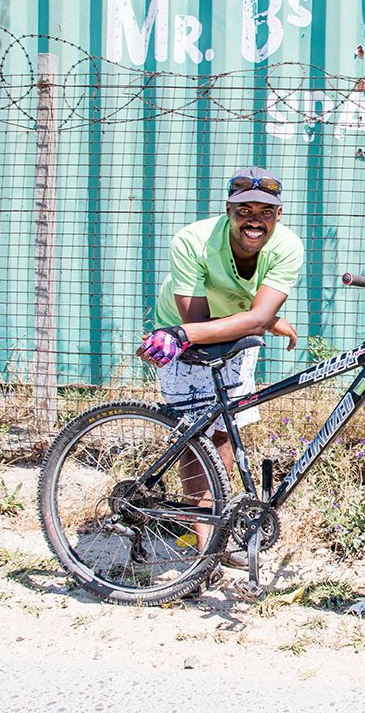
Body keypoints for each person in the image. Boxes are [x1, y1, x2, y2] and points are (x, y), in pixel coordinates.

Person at [136, 166, 304, 565]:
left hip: (239, 330)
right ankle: (205, 550)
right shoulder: (193, 241)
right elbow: (196, 323)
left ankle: (217, 531)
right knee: (198, 441)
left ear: (278, 217)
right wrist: (262, 320)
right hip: (182, 334)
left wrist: (266, 320)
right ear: (228, 210)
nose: (254, 220)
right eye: (244, 209)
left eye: (265, 211)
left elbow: (260, 313)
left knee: (227, 432)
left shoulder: (287, 246)